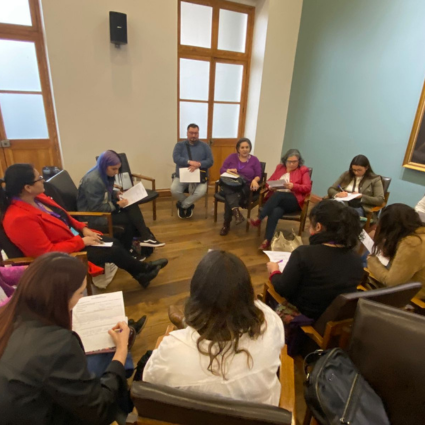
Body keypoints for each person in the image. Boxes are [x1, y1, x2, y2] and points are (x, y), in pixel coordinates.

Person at [0, 253, 131, 424]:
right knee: (116, 358)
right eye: (79, 293)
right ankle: (126, 411)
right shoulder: (58, 344)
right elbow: (99, 411)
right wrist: (121, 349)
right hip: (43, 415)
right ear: (59, 298)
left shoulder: (8, 314)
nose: (82, 298)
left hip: (22, 406)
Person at [143, 251, 285, 406]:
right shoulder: (271, 323)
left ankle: (187, 324)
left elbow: (149, 380)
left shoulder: (170, 352)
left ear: (196, 298)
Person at [0, 164, 168, 289]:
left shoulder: (38, 198)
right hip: (59, 256)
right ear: (27, 187)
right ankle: (143, 270)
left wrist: (82, 228)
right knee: (113, 249)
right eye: (39, 178)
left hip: (73, 236)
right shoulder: (18, 218)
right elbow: (45, 252)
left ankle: (142, 274)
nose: (43, 180)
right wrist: (83, 242)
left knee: (113, 242)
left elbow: (64, 215)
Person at [267, 200, 364, 321]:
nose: (308, 228)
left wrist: (274, 271)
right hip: (332, 320)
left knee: (268, 292)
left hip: (305, 321)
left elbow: (283, 288)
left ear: (318, 227)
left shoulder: (304, 254)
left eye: (310, 224)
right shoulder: (356, 259)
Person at [77, 150, 164, 251]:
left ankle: (143, 239)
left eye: (118, 168)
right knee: (129, 219)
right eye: (114, 169)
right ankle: (134, 246)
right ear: (104, 165)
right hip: (93, 217)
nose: (116, 172)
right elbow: (96, 208)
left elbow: (104, 192)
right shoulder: (93, 181)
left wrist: (115, 194)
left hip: (101, 210)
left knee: (131, 205)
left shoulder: (102, 174)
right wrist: (117, 204)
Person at [250, 149, 311, 250]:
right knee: (276, 211)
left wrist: (293, 186)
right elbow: (269, 182)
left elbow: (307, 188)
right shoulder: (280, 168)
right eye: (289, 161)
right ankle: (267, 240)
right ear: (285, 160)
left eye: (294, 162)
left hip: (294, 200)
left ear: (299, 161)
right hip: (278, 201)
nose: (291, 164)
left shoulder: (303, 170)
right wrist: (271, 187)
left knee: (279, 195)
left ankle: (259, 218)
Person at [367, 203, 425, 300]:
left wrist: (371, 260)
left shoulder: (412, 243)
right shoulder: (419, 235)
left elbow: (392, 283)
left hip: (414, 300)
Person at [218, 138, 262, 235]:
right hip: (231, 183)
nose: (245, 149)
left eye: (247, 147)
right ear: (238, 149)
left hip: (245, 186)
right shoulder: (232, 157)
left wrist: (255, 180)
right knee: (230, 191)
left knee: (229, 196)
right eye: (242, 147)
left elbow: (259, 174)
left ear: (250, 148)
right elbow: (222, 170)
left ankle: (226, 224)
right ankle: (236, 213)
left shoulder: (254, 160)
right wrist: (228, 171)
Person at [171, 123, 214, 219]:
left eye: (196, 133)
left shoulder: (205, 146)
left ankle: (183, 205)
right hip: (182, 175)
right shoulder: (179, 145)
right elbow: (176, 158)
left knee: (201, 192)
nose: (194, 135)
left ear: (198, 134)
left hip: (199, 176)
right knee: (174, 190)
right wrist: (190, 162)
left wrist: (198, 164)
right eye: (191, 133)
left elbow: (210, 161)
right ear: (187, 133)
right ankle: (189, 204)